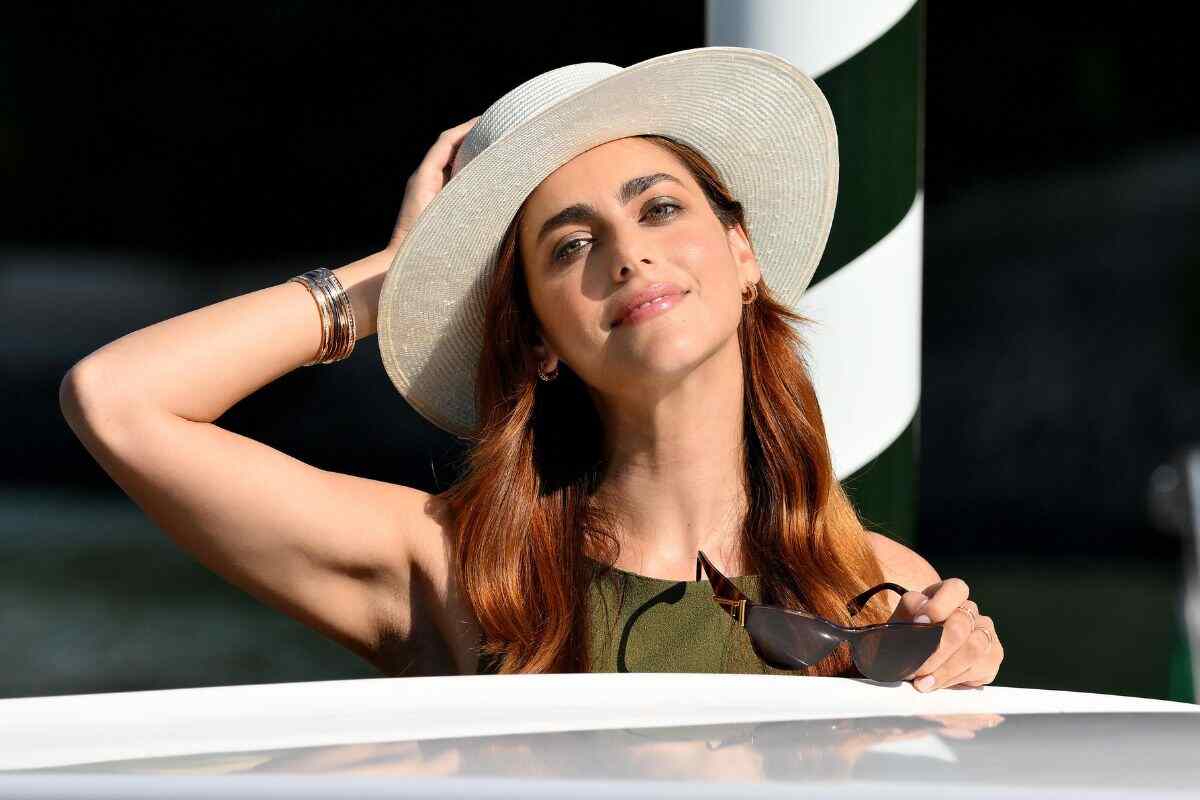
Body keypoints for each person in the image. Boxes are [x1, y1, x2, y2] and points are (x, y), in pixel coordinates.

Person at [59, 48, 1003, 689]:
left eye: (659, 208)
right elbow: (117, 401)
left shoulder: (879, 581)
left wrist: (959, 684)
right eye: (570, 246)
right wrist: (392, 277)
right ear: (541, 340)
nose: (627, 254)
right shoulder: (453, 567)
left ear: (742, 252)